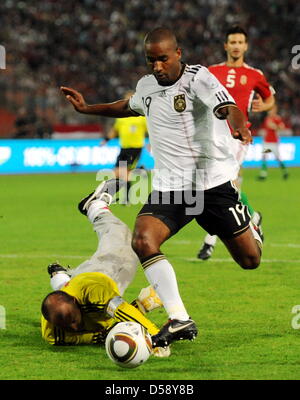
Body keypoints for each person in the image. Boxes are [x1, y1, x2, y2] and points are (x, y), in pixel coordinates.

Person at [60, 27, 262, 349]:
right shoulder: (146, 86)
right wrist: (88, 109)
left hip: (212, 183)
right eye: (151, 60)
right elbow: (128, 106)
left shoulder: (199, 78)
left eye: (163, 59)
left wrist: (237, 123)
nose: (157, 66)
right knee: (143, 239)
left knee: (250, 260)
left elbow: (226, 106)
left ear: (178, 54)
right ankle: (179, 318)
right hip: (172, 186)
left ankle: (252, 225)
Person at [41, 178, 169, 356]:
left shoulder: (96, 292)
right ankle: (60, 277)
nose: (74, 327)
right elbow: (84, 335)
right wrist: (98, 336)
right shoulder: (51, 328)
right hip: (76, 283)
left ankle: (95, 207)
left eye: (73, 321)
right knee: (101, 316)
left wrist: (156, 337)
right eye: (67, 326)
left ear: (76, 303)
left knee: (123, 238)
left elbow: (123, 312)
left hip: (104, 273)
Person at [197, 25, 275, 260]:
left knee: (224, 187)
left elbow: (270, 97)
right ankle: (252, 218)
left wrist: (265, 105)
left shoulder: (255, 74)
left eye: (240, 42)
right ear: (226, 45)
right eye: (232, 42)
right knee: (215, 188)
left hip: (237, 137)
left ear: (246, 46)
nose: (236, 46)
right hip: (211, 137)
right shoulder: (210, 71)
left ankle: (209, 242)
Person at [103, 90, 148, 203]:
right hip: (124, 148)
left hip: (135, 148)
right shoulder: (121, 117)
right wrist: (106, 139)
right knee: (117, 172)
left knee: (125, 172)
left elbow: (151, 131)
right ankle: (139, 170)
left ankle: (126, 199)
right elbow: (115, 130)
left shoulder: (142, 117)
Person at [258, 104, 288, 180]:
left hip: (274, 142)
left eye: (272, 109)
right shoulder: (267, 119)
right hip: (267, 142)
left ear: (275, 110)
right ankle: (263, 175)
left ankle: (285, 172)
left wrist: (274, 126)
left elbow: (282, 127)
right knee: (264, 157)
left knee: (278, 158)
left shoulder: (277, 118)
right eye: (270, 110)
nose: (270, 111)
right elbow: (266, 128)